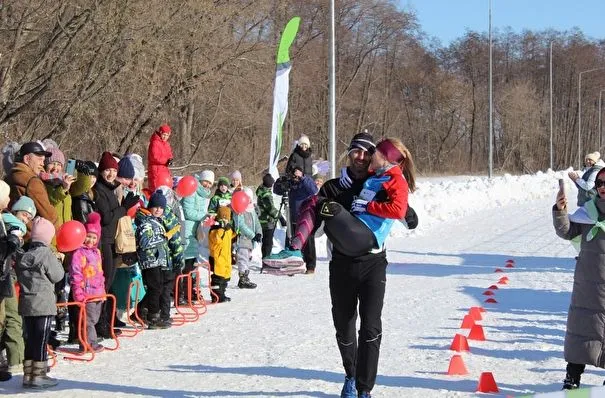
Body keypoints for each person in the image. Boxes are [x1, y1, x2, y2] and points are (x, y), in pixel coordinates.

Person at [554, 167, 605, 389]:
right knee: (581, 330)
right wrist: (560, 210)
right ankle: (572, 377)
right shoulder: (588, 212)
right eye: (600, 183)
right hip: (589, 284)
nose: (603, 187)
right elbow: (566, 231)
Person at [93, 151, 140, 337]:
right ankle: (100, 324)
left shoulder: (110, 188)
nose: (111, 174)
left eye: (113, 170)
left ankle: (108, 320)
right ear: (101, 171)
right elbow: (107, 218)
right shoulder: (99, 190)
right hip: (104, 240)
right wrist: (124, 207)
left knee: (109, 282)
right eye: (107, 170)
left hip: (112, 241)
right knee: (104, 284)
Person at [15, 217, 64, 389]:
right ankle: (39, 375)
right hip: (42, 304)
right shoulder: (46, 254)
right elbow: (58, 275)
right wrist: (59, 261)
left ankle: (28, 374)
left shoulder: (24, 255)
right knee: (41, 340)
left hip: (26, 303)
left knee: (30, 339)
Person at [134, 190, 182, 328]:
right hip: (149, 262)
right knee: (155, 289)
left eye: (161, 208)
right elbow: (144, 241)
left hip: (158, 261)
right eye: (155, 207)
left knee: (158, 288)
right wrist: (164, 237)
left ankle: (151, 313)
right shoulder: (146, 222)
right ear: (150, 206)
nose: (158, 210)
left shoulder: (157, 221)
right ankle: (153, 317)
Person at [0, 181, 25, 382]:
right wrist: (13, 241)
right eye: (6, 197)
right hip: (3, 275)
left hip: (4, 275)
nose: (9, 201)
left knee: (4, 319)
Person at [69, 212, 105, 352]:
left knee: (93, 319)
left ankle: (87, 341)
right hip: (86, 293)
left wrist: (102, 291)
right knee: (88, 320)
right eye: (88, 236)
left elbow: (100, 273)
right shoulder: (78, 253)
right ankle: (89, 344)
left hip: (98, 293)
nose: (90, 240)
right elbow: (76, 274)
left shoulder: (96, 252)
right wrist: (78, 293)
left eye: (93, 237)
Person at [272, 166, 318, 273]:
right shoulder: (290, 184)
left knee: (308, 242)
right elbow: (276, 190)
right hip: (291, 216)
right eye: (293, 176)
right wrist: (280, 180)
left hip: (306, 218)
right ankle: (291, 263)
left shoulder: (305, 182)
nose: (295, 178)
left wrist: (302, 177)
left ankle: (310, 266)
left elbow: (314, 190)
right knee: (290, 240)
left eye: (296, 176)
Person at [5, 142, 59, 229]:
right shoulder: (32, 181)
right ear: (27, 159)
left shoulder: (9, 177)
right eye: (39, 159)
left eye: (43, 160)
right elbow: (49, 215)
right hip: (31, 235)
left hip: (12, 230)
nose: (43, 164)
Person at [178, 170, 213, 304]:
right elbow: (188, 212)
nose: (207, 185)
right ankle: (180, 293)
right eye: (206, 182)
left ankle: (190, 291)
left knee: (192, 264)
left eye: (210, 183)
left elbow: (199, 213)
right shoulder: (192, 190)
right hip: (186, 231)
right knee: (185, 264)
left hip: (194, 232)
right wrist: (204, 216)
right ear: (201, 180)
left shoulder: (203, 195)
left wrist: (206, 217)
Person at [232, 188, 261, 289]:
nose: (248, 199)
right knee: (243, 258)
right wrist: (253, 235)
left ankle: (246, 277)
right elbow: (241, 225)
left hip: (250, 240)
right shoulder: (239, 209)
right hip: (242, 238)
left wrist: (259, 233)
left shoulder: (251, 208)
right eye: (246, 197)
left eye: (249, 198)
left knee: (247, 258)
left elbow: (256, 222)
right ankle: (242, 279)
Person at [207, 206, 234, 303]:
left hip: (226, 257)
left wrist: (233, 231)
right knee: (217, 278)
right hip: (217, 258)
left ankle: (222, 293)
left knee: (225, 278)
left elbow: (230, 238)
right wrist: (221, 228)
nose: (224, 220)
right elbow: (217, 240)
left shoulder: (227, 230)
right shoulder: (214, 230)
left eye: (226, 218)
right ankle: (216, 296)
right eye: (222, 218)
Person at [256, 174, 284, 258]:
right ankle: (266, 259)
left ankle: (266, 257)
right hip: (267, 221)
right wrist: (280, 217)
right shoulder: (266, 194)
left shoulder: (262, 191)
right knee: (267, 242)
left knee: (266, 241)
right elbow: (270, 209)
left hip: (263, 220)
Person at [147, 124, 174, 192]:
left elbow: (169, 154)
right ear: (160, 133)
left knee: (166, 190)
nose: (165, 137)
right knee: (156, 189)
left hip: (164, 169)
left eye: (167, 135)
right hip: (155, 170)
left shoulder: (167, 144)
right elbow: (155, 157)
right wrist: (166, 161)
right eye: (164, 134)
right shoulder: (154, 142)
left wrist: (170, 160)